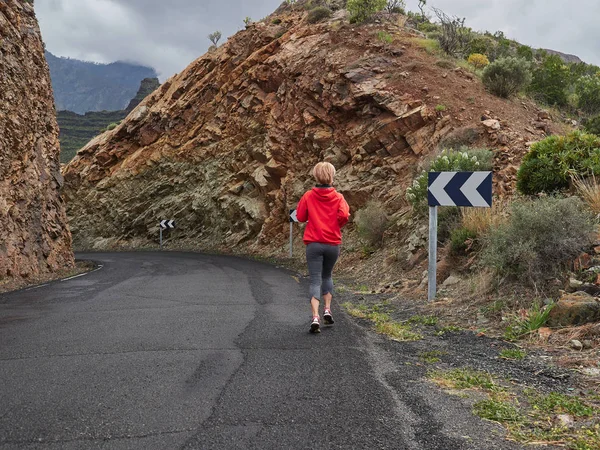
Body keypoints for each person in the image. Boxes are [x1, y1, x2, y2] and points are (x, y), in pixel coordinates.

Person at [296, 162, 350, 333]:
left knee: (314, 279)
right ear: (332, 175)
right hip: (332, 243)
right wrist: (335, 224)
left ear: (316, 175)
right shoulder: (339, 197)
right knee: (327, 275)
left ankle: (315, 317)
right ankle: (327, 309)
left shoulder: (308, 196)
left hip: (313, 243)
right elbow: (344, 215)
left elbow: (300, 216)